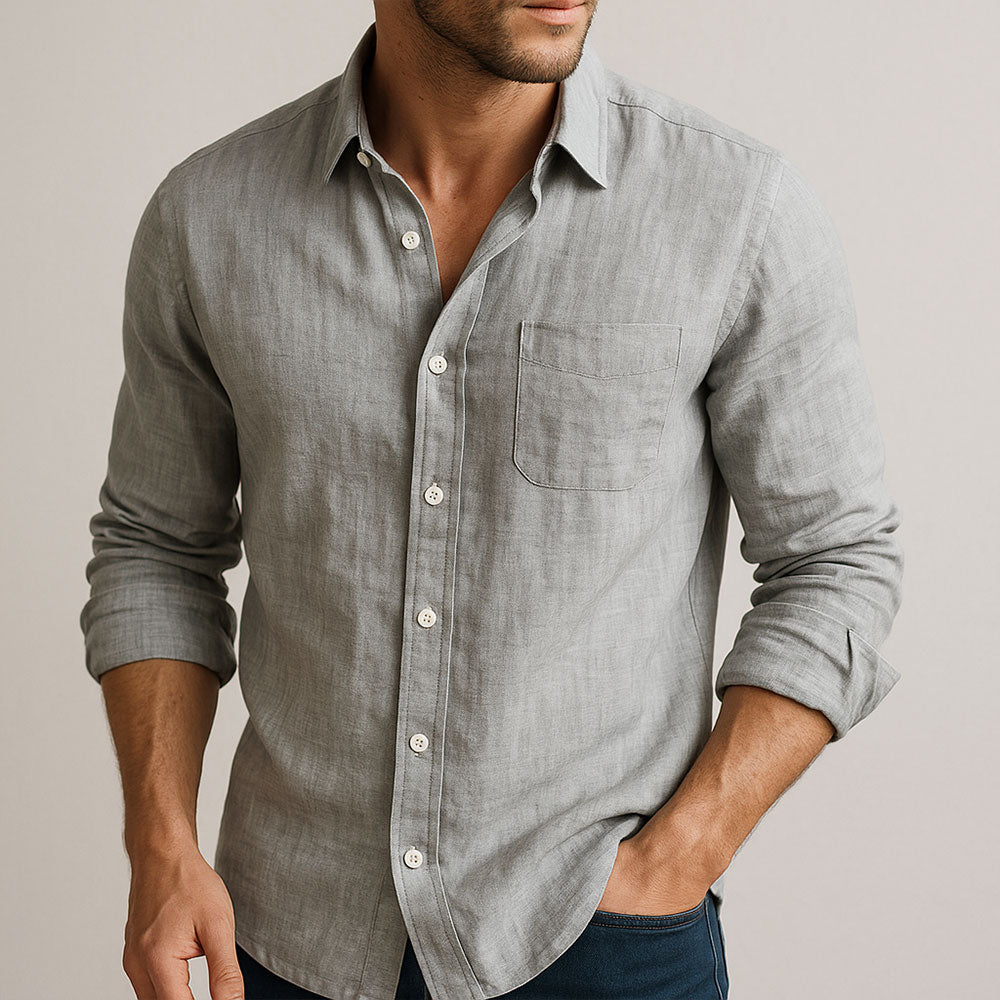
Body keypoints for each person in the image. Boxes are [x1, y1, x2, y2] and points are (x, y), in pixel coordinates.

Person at [79, 2, 904, 999]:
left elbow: (836, 558)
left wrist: (677, 858)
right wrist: (160, 845)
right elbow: (157, 548)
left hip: (598, 942)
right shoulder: (208, 218)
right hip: (286, 939)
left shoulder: (733, 210)